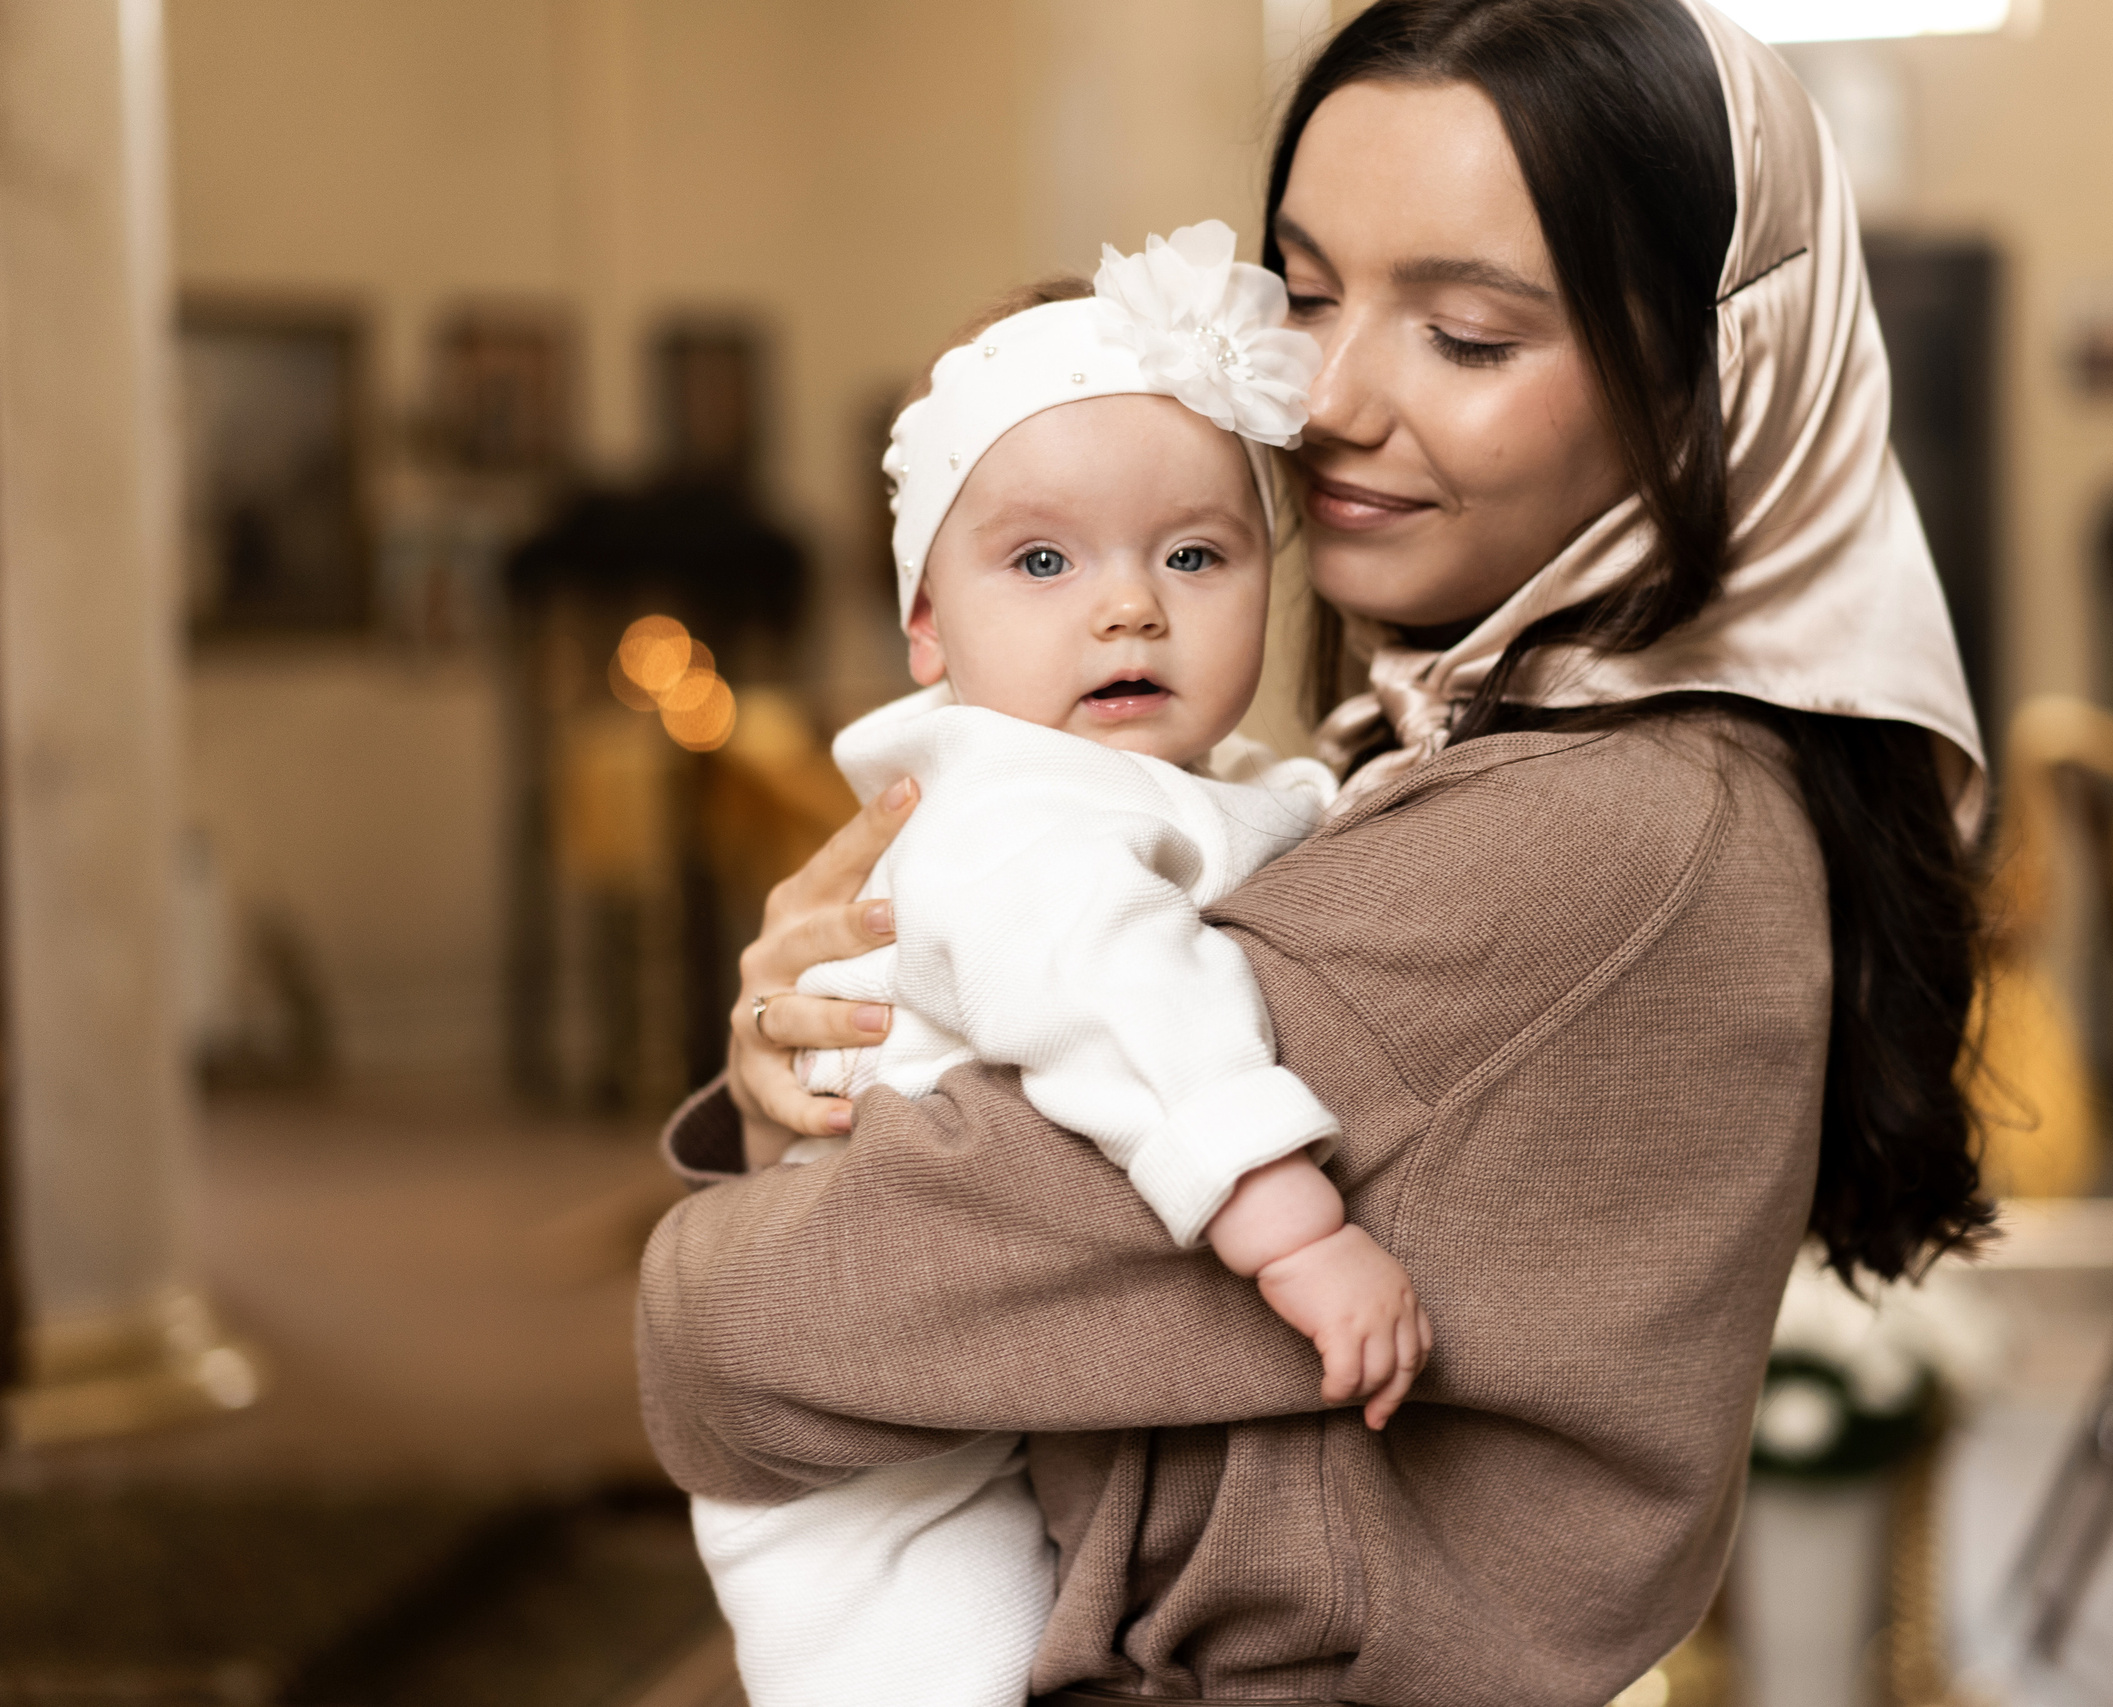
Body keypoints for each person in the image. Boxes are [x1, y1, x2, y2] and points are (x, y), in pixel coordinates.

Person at [639, 1, 1993, 1701]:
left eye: (1471, 339)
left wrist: (732, 1230)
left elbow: (747, 1342)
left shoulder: (1597, 833)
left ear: (1704, 388)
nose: (1331, 401)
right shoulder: (1438, 757)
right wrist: (826, 1056)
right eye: (1307, 296)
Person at [689, 227, 1430, 1707]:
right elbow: (1117, 994)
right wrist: (1290, 1224)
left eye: (1196, 555)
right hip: (867, 1461)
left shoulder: (1190, 783)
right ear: (926, 629)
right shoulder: (1019, 805)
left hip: (949, 1359)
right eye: (1042, 559)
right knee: (931, 1668)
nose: (1129, 606)